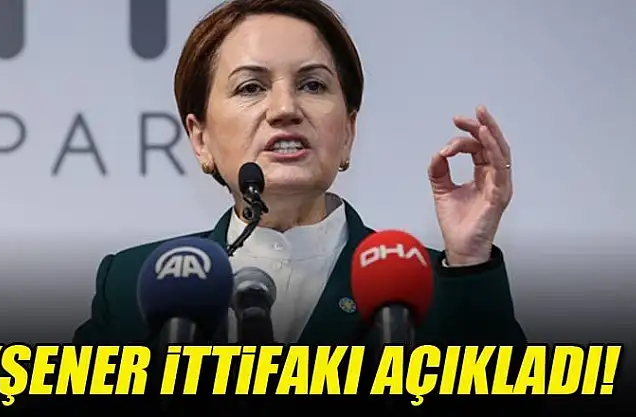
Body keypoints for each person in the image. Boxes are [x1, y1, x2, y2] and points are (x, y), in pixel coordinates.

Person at [73, 0, 529, 411]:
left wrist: (470, 261)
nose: (285, 109)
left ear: (348, 132)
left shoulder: (428, 288)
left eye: (312, 85)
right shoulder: (132, 285)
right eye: (250, 87)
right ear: (201, 139)